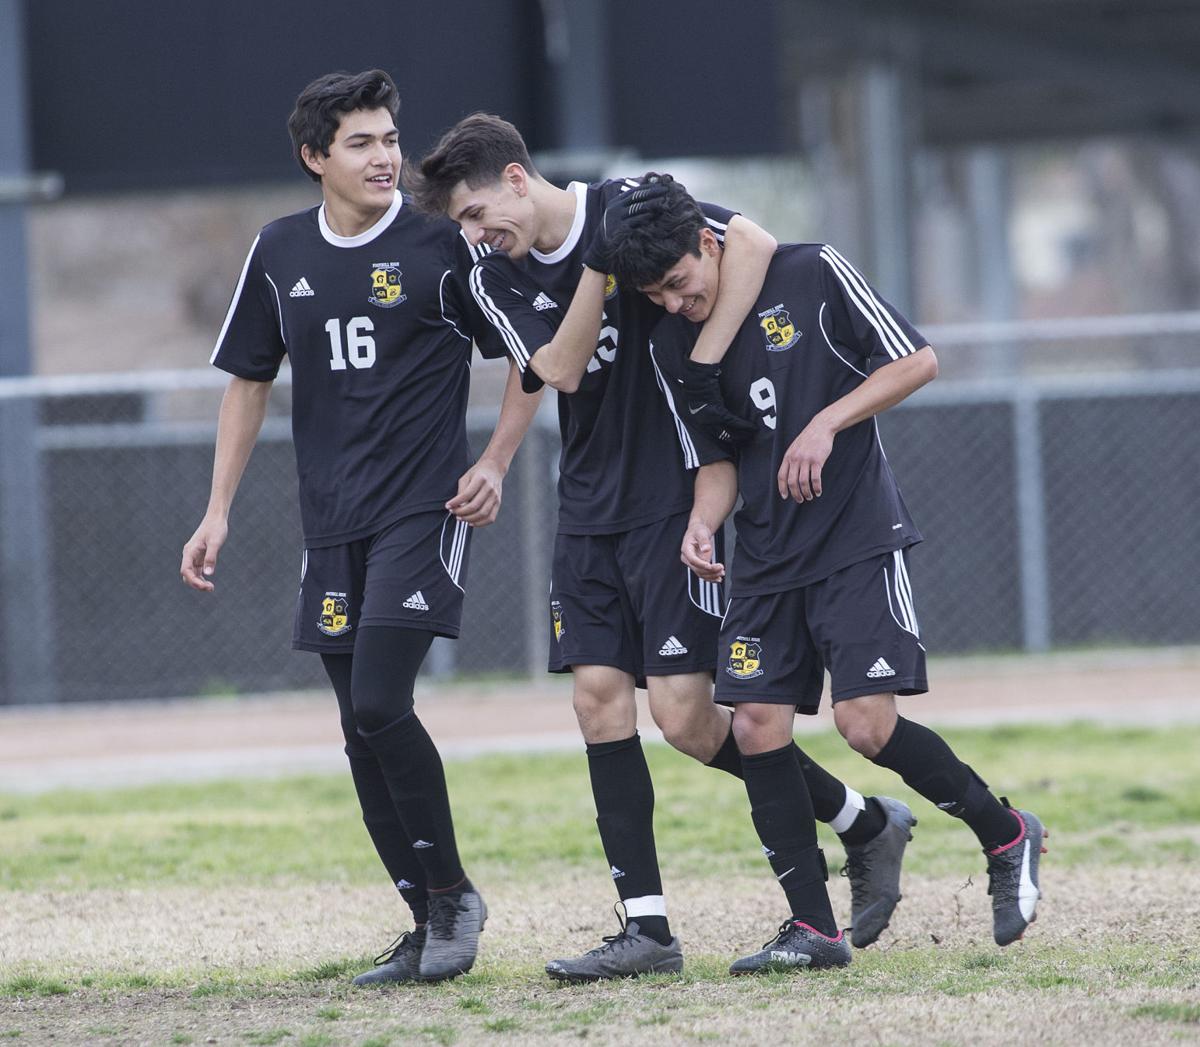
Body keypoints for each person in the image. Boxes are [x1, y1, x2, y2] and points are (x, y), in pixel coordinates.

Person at [407, 117, 917, 979]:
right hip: (587, 508)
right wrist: (598, 268)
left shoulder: (633, 208)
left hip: (675, 498)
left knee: (685, 719)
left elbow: (750, 243)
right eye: (462, 222)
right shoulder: (494, 273)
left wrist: (704, 353)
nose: (473, 232)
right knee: (597, 702)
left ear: (517, 178)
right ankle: (647, 928)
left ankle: (860, 819)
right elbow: (559, 369)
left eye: (476, 212)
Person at [608, 177, 1048, 971]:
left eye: (678, 281)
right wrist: (702, 522)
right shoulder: (671, 346)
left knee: (865, 725)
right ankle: (813, 927)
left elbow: (917, 360)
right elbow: (717, 461)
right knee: (754, 723)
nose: (674, 302)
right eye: (655, 296)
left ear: (708, 242)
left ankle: (1006, 832)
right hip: (764, 555)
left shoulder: (811, 272)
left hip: (853, 537)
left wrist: (828, 420)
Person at [180, 71, 541, 985]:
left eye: (390, 139)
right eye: (362, 143)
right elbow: (248, 383)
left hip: (424, 508)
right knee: (357, 727)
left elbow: (531, 356)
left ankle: (454, 896)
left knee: (380, 701)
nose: (385, 157)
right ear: (315, 157)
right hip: (331, 521)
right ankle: (424, 919)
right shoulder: (279, 250)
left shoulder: (441, 245)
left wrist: (495, 461)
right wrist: (217, 509)